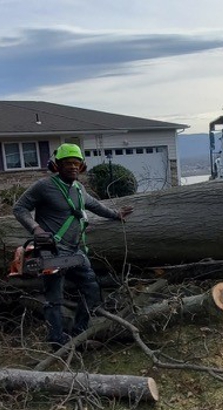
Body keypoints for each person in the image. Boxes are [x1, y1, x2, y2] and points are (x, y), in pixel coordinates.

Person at [13, 143, 133, 350]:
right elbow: (19, 208)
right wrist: (36, 229)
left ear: (82, 166)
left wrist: (116, 215)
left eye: (76, 163)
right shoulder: (44, 186)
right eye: (67, 163)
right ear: (56, 165)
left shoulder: (79, 188)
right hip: (52, 251)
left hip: (76, 252)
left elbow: (94, 205)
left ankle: (78, 333)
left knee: (91, 289)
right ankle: (57, 340)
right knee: (54, 299)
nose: (73, 167)